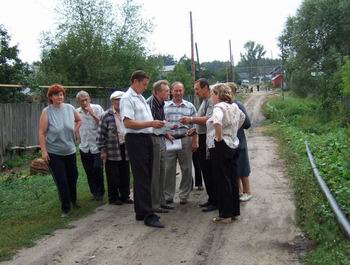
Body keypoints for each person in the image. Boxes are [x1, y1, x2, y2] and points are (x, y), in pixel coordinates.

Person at [120, 70, 166, 228]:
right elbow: (128, 123)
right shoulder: (127, 98)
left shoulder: (139, 97)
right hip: (136, 139)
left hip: (146, 138)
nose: (145, 88)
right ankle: (148, 214)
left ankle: (141, 211)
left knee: (145, 175)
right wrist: (151, 124)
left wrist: (155, 124)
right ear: (135, 82)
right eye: (144, 84)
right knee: (143, 177)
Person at [38, 84, 82, 217]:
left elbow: (79, 120)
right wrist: (44, 151)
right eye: (56, 94)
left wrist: (74, 129)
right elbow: (41, 132)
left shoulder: (70, 108)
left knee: (73, 177)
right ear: (51, 97)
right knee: (62, 180)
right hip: (54, 152)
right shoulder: (47, 111)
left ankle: (73, 200)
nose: (59, 96)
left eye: (61, 94)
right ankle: (65, 208)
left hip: (70, 150)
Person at [206, 83, 245, 223]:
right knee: (232, 178)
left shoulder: (219, 107)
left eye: (212, 94)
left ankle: (225, 214)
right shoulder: (234, 106)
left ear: (217, 94)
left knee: (222, 180)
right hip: (234, 144)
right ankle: (234, 212)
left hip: (221, 147)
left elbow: (217, 122)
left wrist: (219, 138)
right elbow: (242, 118)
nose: (211, 97)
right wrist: (233, 132)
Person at [180, 78, 216, 212]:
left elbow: (209, 119)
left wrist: (191, 119)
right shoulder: (204, 102)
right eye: (195, 89)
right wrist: (195, 128)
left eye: (197, 89)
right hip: (202, 137)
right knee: (205, 170)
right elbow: (202, 121)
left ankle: (215, 200)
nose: (195, 92)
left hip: (208, 139)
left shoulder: (211, 100)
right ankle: (212, 198)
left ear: (205, 88)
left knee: (210, 170)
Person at [164, 81, 198, 206]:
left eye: (180, 90)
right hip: (169, 140)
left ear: (183, 91)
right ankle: (168, 196)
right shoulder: (165, 106)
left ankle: (184, 195)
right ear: (171, 91)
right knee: (168, 169)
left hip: (185, 139)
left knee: (187, 168)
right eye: (175, 90)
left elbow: (195, 126)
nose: (178, 93)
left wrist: (194, 141)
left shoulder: (190, 106)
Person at [97, 91, 133, 205]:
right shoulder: (106, 115)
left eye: (121, 100)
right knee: (113, 175)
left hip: (126, 148)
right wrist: (102, 150)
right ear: (112, 101)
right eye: (117, 100)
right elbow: (100, 134)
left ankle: (125, 196)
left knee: (125, 173)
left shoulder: (128, 114)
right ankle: (113, 197)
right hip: (112, 149)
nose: (119, 102)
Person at [146, 80, 173, 213]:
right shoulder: (150, 103)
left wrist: (167, 132)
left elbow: (160, 123)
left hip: (161, 138)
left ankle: (161, 201)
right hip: (153, 139)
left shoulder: (162, 103)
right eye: (166, 91)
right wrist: (164, 127)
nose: (169, 93)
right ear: (157, 92)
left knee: (163, 170)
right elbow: (150, 124)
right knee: (155, 172)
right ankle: (154, 204)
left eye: (168, 90)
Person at [76, 90, 105, 201]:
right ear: (78, 102)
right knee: (89, 171)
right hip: (84, 146)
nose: (84, 103)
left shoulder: (97, 108)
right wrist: (78, 138)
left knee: (97, 168)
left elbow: (103, 125)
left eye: (86, 100)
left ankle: (100, 191)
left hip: (97, 145)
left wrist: (93, 114)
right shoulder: (76, 112)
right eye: (81, 101)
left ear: (89, 99)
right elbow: (75, 126)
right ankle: (94, 192)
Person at [227, 82, 253, 202]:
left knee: (242, 168)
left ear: (233, 92)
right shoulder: (226, 105)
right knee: (235, 169)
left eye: (228, 91)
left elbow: (247, 123)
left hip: (239, 140)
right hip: (231, 142)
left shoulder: (238, 105)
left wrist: (236, 127)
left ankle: (248, 192)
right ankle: (238, 191)